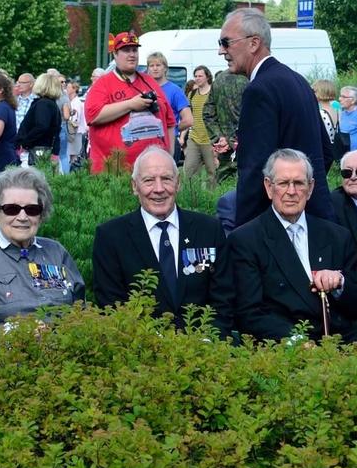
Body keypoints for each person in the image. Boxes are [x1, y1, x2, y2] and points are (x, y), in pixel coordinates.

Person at [226, 149, 357, 343]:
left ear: (310, 189)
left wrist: (340, 284)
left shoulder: (338, 236)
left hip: (341, 343)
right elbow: (249, 314)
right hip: (285, 348)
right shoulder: (245, 240)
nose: (291, 192)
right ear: (269, 187)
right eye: (283, 183)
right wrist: (297, 341)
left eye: (299, 183)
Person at [92, 146, 233, 336]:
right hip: (141, 353)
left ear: (178, 183)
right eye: (149, 180)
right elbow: (111, 306)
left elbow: (224, 299)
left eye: (166, 179)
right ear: (135, 186)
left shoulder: (209, 230)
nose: (159, 189)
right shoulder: (111, 237)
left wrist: (205, 342)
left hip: (204, 351)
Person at [218, 8, 335, 225]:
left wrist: (245, 232)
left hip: (277, 229)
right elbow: (326, 152)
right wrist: (300, 191)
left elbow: (254, 169)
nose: (220, 51)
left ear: (254, 43)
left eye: (226, 42)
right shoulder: (298, 81)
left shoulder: (259, 90)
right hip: (314, 220)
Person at [0, 168, 84, 354]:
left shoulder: (56, 252)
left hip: (66, 358)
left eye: (32, 210)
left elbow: (82, 309)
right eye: (12, 209)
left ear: (41, 214)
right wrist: (18, 333)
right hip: (9, 364)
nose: (22, 217)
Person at [85, 31, 175, 174]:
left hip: (152, 170)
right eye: (126, 50)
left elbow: (169, 122)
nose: (132, 54)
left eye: (135, 50)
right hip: (115, 172)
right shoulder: (102, 84)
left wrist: (169, 158)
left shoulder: (150, 81)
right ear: (115, 54)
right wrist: (130, 105)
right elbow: (93, 115)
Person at [146, 51, 193, 164]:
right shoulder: (144, 89)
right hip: (146, 141)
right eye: (151, 66)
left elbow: (188, 120)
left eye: (158, 65)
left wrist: (171, 129)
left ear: (165, 68)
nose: (155, 68)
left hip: (168, 142)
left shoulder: (175, 90)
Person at [205, 70, 248, 182]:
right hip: (248, 147)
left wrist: (220, 137)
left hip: (226, 146)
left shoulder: (219, 80)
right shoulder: (253, 78)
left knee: (224, 186)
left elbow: (208, 113)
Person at [16, 72, 62, 167]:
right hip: (44, 150)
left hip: (36, 151)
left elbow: (41, 126)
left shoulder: (43, 104)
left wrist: (25, 142)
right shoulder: (51, 104)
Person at [183, 65, 217, 189]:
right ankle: (192, 198)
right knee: (190, 171)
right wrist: (182, 136)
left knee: (212, 172)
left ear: (207, 77)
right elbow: (188, 117)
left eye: (200, 76)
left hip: (210, 138)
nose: (197, 78)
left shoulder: (214, 93)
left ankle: (210, 200)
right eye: (195, 76)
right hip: (194, 137)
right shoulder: (191, 94)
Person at [312, 78, 338, 152]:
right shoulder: (336, 107)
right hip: (335, 146)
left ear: (320, 92)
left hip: (324, 148)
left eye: (314, 91)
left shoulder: (320, 112)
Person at [66, 81, 86, 171]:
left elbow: (75, 118)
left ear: (74, 89)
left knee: (74, 155)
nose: (66, 89)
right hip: (72, 131)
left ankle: (74, 173)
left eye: (69, 87)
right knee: (71, 154)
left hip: (75, 132)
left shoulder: (76, 102)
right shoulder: (71, 101)